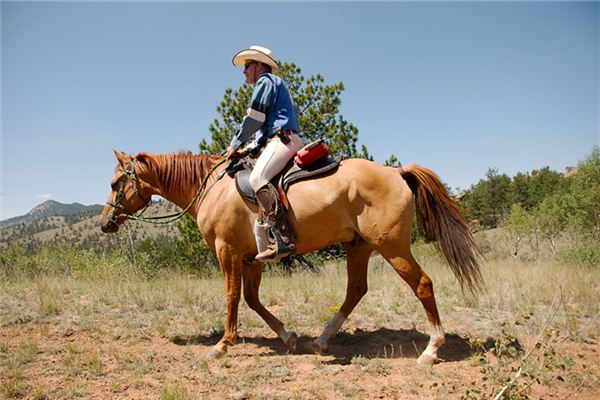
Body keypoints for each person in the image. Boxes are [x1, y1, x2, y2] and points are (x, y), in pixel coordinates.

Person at [225, 45, 303, 262]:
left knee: (257, 177)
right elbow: (263, 130)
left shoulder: (265, 81)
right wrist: (247, 149)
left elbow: (255, 118)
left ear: (259, 66)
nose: (244, 72)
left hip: (283, 139)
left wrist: (234, 143)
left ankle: (280, 237)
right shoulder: (272, 83)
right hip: (277, 140)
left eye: (247, 66)